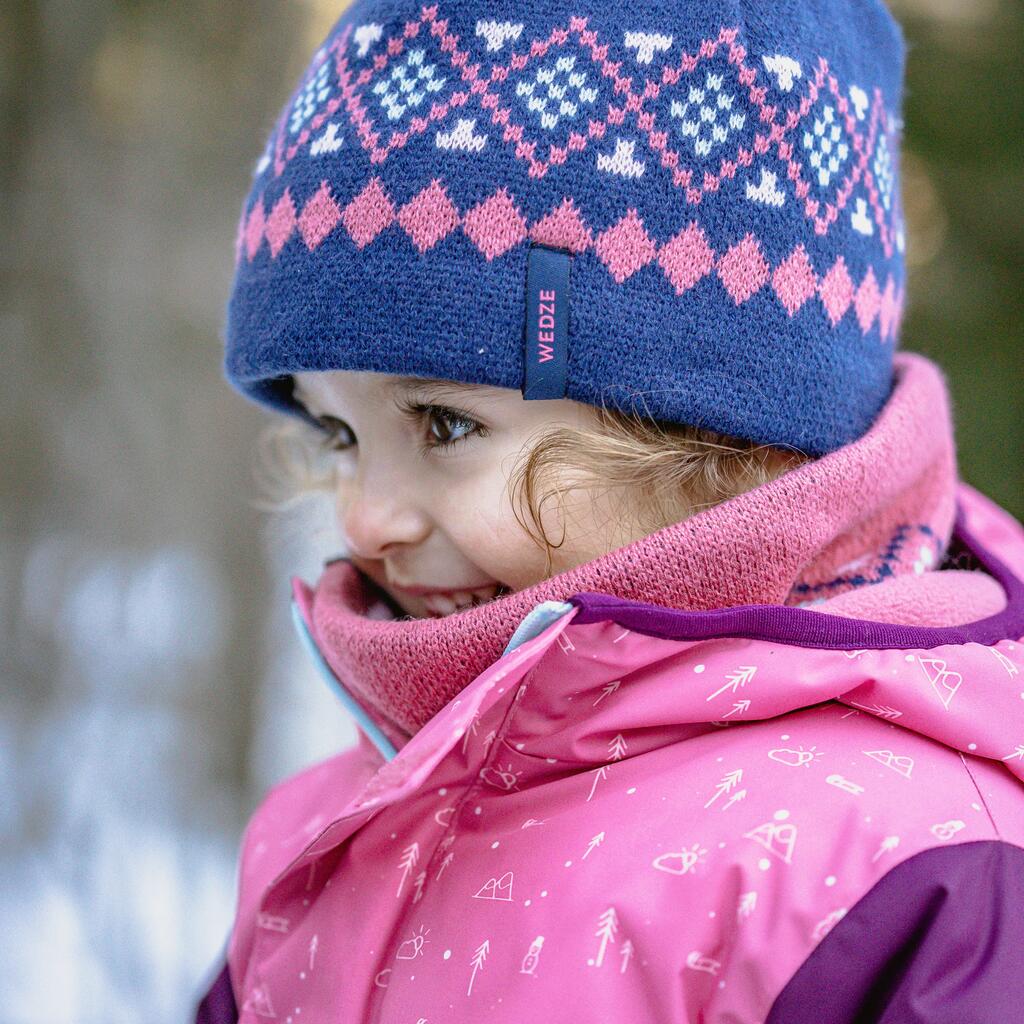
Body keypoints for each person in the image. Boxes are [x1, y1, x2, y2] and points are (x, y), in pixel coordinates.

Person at [196, 0, 1024, 1020]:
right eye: (339, 434)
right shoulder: (341, 823)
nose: (366, 522)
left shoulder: (910, 874)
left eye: (445, 424)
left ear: (722, 435)